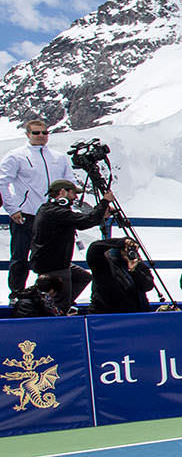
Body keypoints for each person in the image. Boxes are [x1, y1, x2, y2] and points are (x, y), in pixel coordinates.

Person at [1, 119, 75, 300]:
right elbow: (3, 181)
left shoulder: (58, 157)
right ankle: (17, 295)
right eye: (36, 133)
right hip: (27, 214)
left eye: (44, 132)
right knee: (20, 257)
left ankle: (51, 297)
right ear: (27, 134)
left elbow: (70, 183)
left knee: (53, 260)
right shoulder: (16, 155)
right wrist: (13, 208)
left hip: (53, 218)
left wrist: (64, 208)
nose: (41, 136)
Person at [29, 180, 109, 308]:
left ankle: (54, 306)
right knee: (61, 302)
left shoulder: (47, 209)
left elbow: (81, 221)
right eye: (73, 193)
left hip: (51, 261)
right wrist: (104, 202)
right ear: (62, 192)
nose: (75, 197)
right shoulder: (56, 212)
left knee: (83, 277)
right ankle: (58, 309)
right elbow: (85, 221)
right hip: (55, 265)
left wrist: (99, 214)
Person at [84, 237, 153, 313]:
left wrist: (134, 271)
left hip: (135, 315)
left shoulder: (138, 265)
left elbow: (148, 285)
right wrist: (121, 242)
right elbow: (94, 249)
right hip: (107, 316)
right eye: (125, 249)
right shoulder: (104, 266)